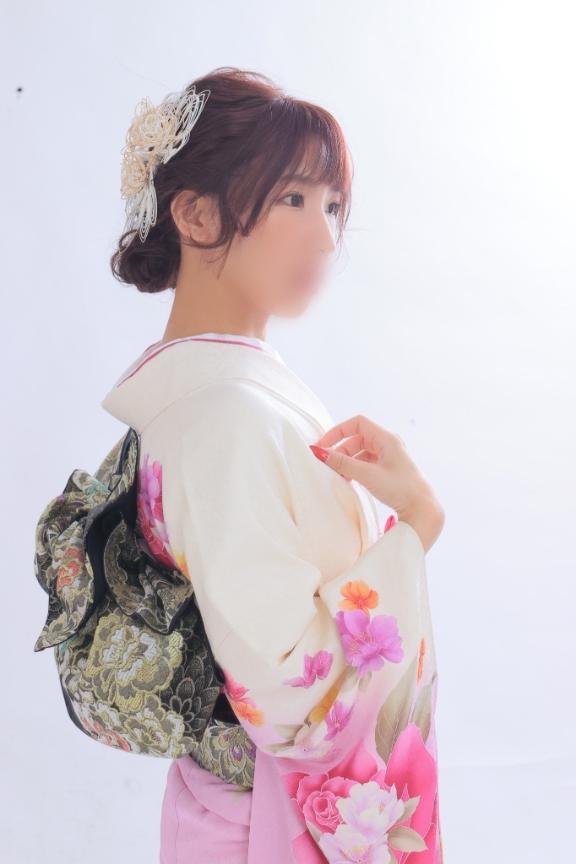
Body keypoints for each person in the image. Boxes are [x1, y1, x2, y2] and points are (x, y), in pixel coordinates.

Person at [104, 66, 445, 864]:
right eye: (293, 198)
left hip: (242, 810)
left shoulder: (228, 391)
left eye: (332, 206)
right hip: (261, 827)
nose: (325, 237)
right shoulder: (224, 414)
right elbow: (293, 694)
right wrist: (414, 531)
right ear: (195, 213)